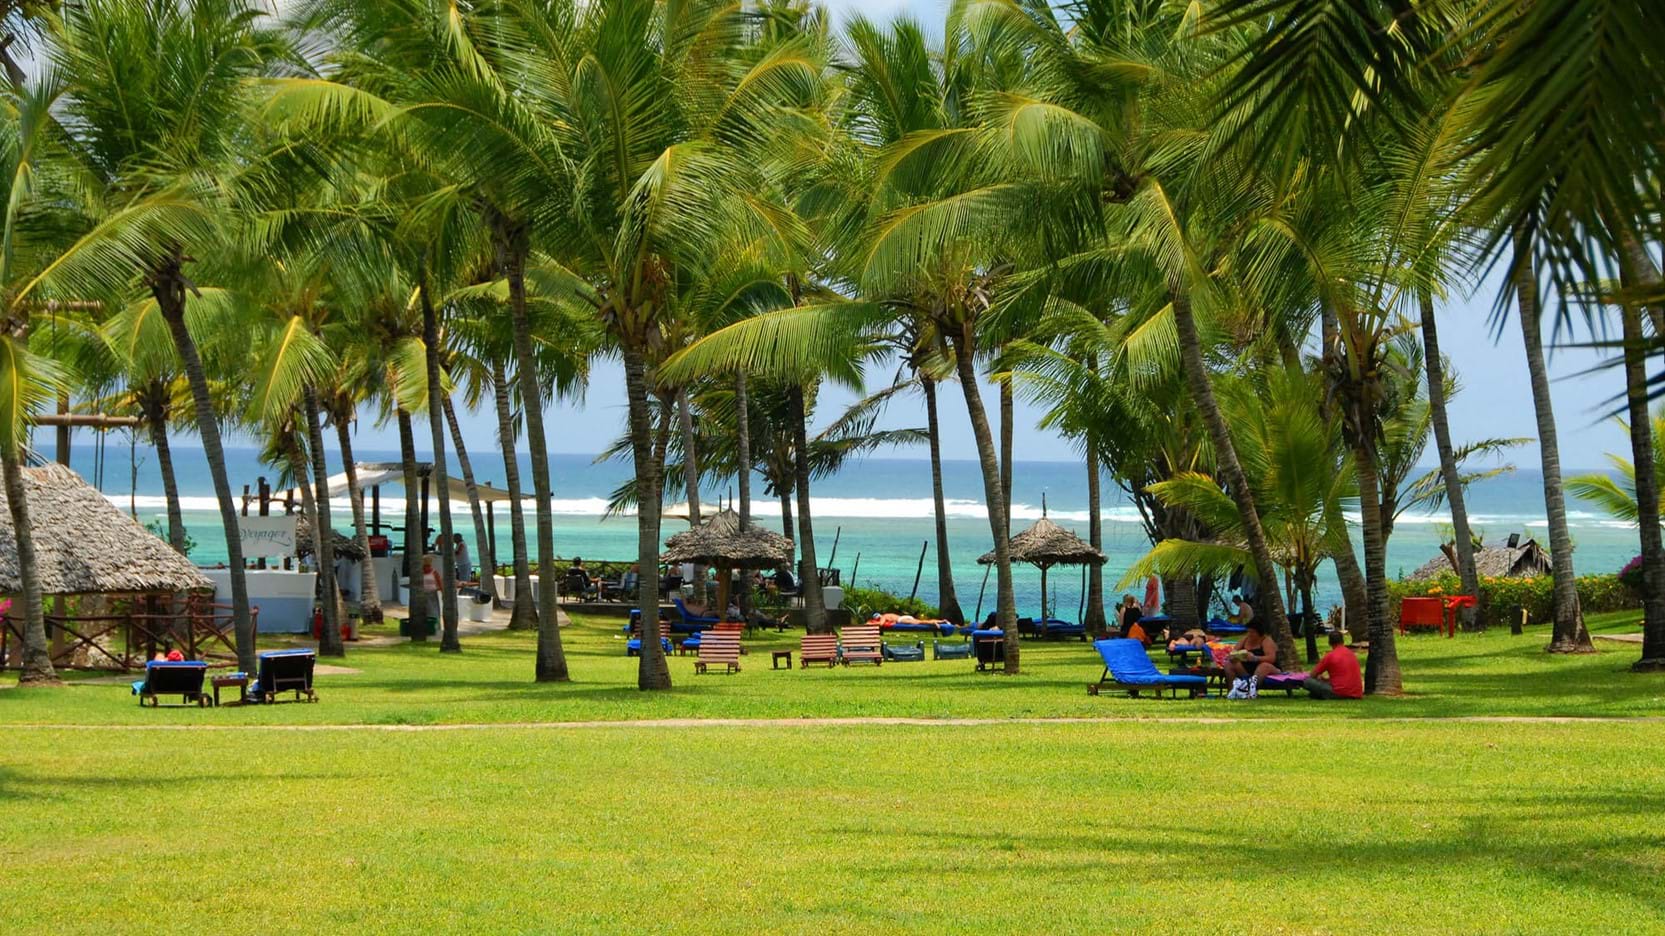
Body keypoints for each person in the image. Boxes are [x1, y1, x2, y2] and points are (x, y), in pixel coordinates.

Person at [1304, 631, 1363, 700]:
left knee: (1307, 681)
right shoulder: (1351, 654)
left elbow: (1312, 675)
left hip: (1339, 693)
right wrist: (1326, 680)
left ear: (1329, 642)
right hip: (1356, 693)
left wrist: (1320, 679)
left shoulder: (1330, 656)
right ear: (1343, 641)